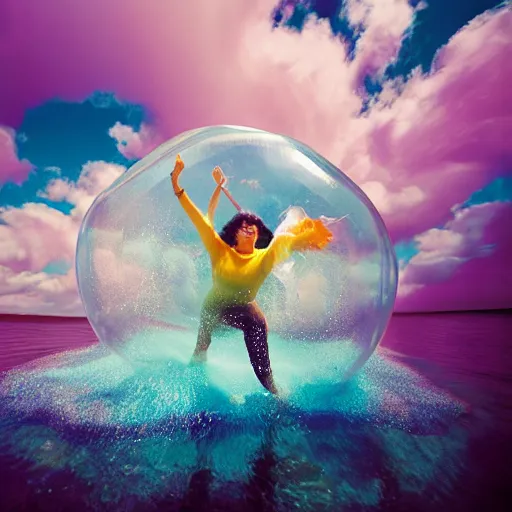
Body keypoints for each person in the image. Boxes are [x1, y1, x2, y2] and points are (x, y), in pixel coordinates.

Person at [170, 154, 333, 395]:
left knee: (260, 356)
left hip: (246, 310)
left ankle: (276, 395)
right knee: (201, 347)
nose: (249, 227)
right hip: (214, 305)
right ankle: (195, 386)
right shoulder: (219, 248)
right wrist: (176, 181)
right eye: (243, 225)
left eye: (253, 226)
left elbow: (291, 242)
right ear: (234, 232)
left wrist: (312, 236)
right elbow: (200, 217)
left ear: (258, 235)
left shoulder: (265, 256)